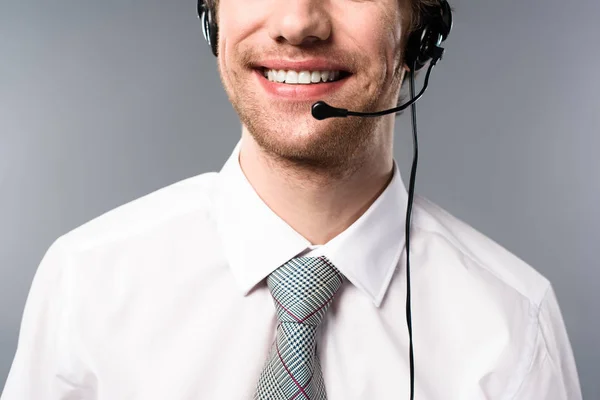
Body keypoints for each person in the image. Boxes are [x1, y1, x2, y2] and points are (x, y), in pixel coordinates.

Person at [2, 0, 582, 399]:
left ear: (420, 32)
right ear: (213, 17)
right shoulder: (85, 281)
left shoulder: (513, 323)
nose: (299, 22)